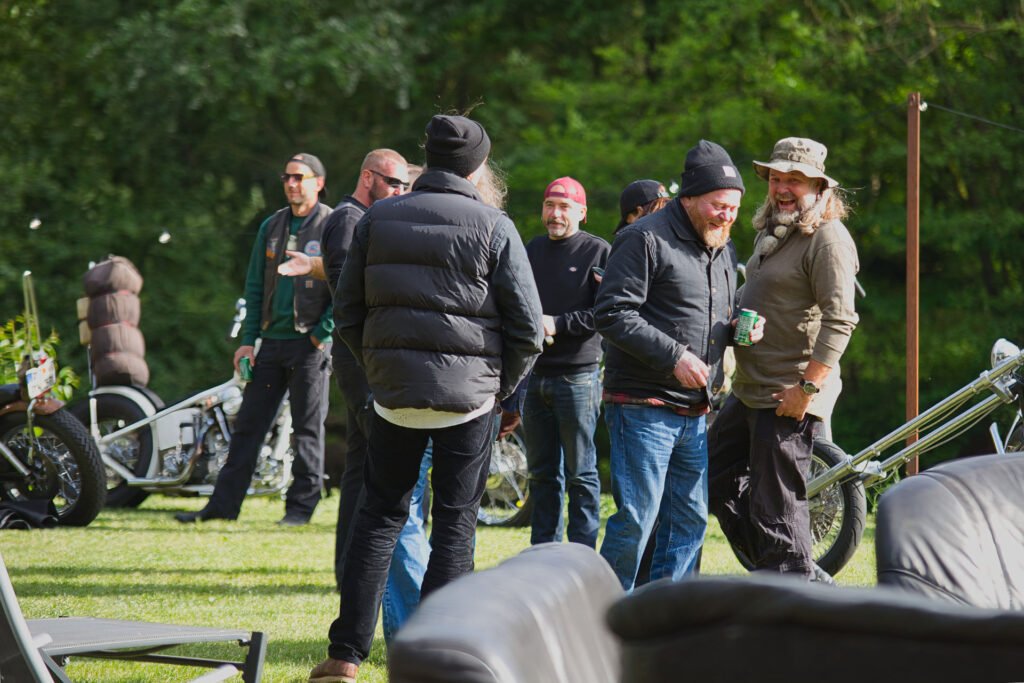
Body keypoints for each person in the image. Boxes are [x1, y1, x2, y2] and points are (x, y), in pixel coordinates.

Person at [309, 114, 543, 681]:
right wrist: (499, 387)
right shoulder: (495, 225)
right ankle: (440, 658)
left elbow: (346, 311)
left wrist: (379, 369)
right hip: (471, 402)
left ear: (428, 158)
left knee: (379, 518)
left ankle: (345, 656)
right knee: (455, 525)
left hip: (391, 398)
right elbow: (529, 330)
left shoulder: (378, 216)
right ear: (477, 165)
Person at [277, 151, 431, 643]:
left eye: (407, 185)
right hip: (360, 361)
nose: (401, 192)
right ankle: (370, 586)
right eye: (394, 183)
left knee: (365, 475)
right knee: (387, 480)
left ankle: (351, 575)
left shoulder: (365, 218)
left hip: (366, 360)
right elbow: (350, 293)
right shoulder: (349, 218)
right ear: (368, 177)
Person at [595, 140, 752, 591]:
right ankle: (598, 618)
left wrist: (738, 325)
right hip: (642, 404)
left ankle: (665, 622)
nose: (727, 216)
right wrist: (674, 356)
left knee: (688, 523)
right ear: (689, 198)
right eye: (718, 205)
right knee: (637, 521)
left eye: (734, 208)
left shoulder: (724, 247)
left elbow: (712, 313)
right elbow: (611, 313)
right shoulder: (642, 237)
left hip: (697, 409)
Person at [708, 137, 859, 581]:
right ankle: (791, 574)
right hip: (750, 391)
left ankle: (791, 591)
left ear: (819, 187)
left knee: (776, 511)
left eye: (794, 179)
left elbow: (840, 321)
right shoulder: (774, 230)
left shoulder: (827, 239)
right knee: (713, 477)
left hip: (787, 394)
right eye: (776, 178)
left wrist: (806, 390)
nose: (782, 188)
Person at [176, 153, 333, 526]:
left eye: (299, 177)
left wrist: (320, 335)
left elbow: (345, 286)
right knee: (248, 426)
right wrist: (249, 340)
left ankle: (299, 510)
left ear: (318, 183)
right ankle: (222, 507)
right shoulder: (272, 226)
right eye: (286, 178)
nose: (291, 184)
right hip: (271, 343)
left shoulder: (332, 225)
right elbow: (254, 284)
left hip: (309, 345)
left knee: (308, 429)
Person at [521, 176, 608, 548]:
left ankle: (582, 553)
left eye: (565, 207)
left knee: (581, 473)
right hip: (533, 375)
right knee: (541, 474)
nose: (555, 214)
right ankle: (543, 551)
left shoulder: (599, 252)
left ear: (582, 213)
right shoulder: (531, 250)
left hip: (578, 378)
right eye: (550, 205)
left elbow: (607, 313)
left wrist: (556, 323)